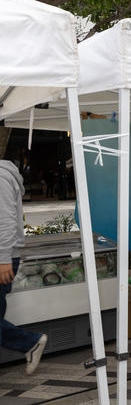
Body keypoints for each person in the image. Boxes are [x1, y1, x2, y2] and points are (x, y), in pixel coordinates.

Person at [0, 160, 47, 373]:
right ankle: (30, 342)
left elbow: (5, 220)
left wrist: (3, 259)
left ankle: (30, 342)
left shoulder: (0, 177)